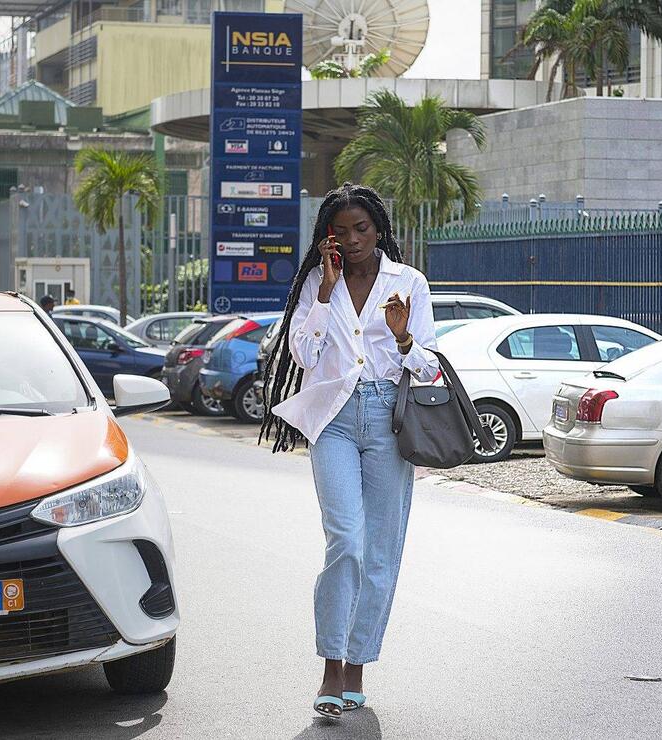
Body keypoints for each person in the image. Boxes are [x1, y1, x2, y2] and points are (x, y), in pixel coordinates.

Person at [259, 183, 439, 720]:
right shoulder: (320, 282)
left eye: (362, 229)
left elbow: (429, 367)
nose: (354, 239)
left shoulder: (409, 283)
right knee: (347, 541)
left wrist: (403, 338)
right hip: (334, 419)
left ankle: (357, 667)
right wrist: (322, 294)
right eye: (341, 232)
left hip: (389, 420)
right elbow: (305, 353)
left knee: (381, 551)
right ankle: (330, 664)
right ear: (327, 240)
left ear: (378, 230)